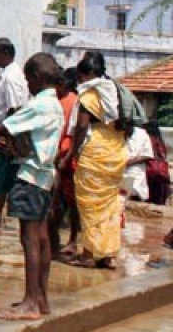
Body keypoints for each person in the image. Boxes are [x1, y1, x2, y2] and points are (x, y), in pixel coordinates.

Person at [0, 53, 65, 321]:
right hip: (45, 176)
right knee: (42, 236)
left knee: (29, 238)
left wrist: (5, 134)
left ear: (36, 78)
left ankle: (30, 301)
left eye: (28, 80)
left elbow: (2, 128)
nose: (27, 86)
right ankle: (41, 298)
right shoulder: (55, 103)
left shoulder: (40, 105)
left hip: (31, 176)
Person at [67, 51, 126, 269]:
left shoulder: (90, 95)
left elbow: (82, 126)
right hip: (116, 150)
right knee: (109, 206)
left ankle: (89, 254)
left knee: (90, 205)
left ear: (86, 74)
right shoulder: (116, 92)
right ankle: (108, 255)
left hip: (96, 151)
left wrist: (73, 151)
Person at [0, 38, 30, 229]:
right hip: (0, 127)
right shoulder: (6, 74)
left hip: (5, 130)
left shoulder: (11, 77)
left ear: (4, 53)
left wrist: (6, 135)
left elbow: (14, 108)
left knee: (2, 174)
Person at [49, 67, 81, 259]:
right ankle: (60, 240)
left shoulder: (73, 102)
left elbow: (72, 133)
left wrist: (63, 156)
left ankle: (70, 241)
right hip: (61, 156)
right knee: (61, 202)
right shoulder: (61, 101)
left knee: (65, 202)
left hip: (66, 158)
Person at [120, 126, 152, 205]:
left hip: (136, 170)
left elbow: (148, 155)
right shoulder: (116, 133)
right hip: (118, 170)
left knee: (133, 192)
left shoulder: (142, 134)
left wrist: (130, 162)